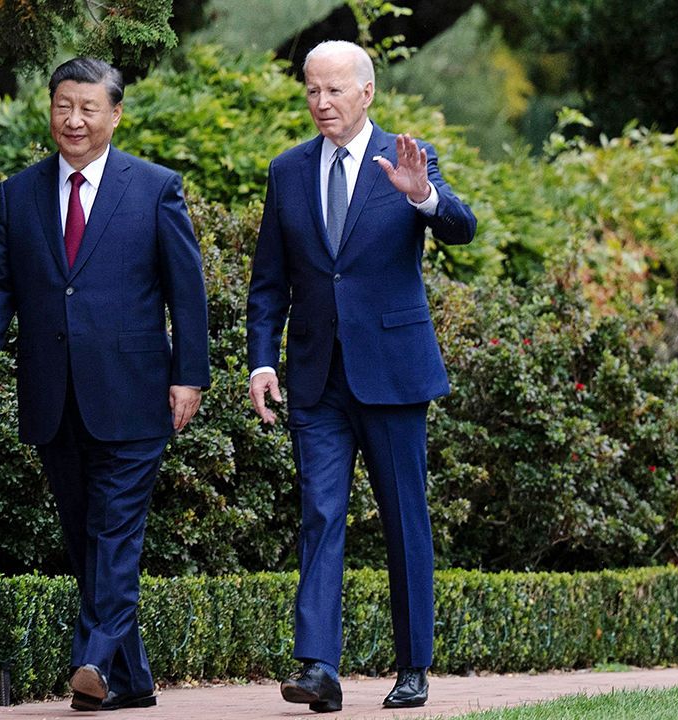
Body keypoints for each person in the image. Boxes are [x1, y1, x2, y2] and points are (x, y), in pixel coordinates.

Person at [0, 57, 210, 712]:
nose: (73, 119)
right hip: (53, 395)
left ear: (115, 114)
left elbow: (187, 291)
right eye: (62, 106)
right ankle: (130, 681)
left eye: (88, 108)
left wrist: (191, 374)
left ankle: (93, 660)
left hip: (134, 391)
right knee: (84, 536)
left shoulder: (155, 187)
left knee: (115, 532)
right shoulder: (20, 193)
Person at [245, 40, 476, 712]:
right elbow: (268, 282)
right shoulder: (286, 171)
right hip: (316, 378)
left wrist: (425, 195)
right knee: (319, 515)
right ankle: (318, 667)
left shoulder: (408, 158)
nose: (321, 103)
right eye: (312, 90)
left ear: (366, 92)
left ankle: (413, 667)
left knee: (406, 519)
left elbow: (464, 228)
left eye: (335, 90)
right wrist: (263, 359)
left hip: (394, 374)